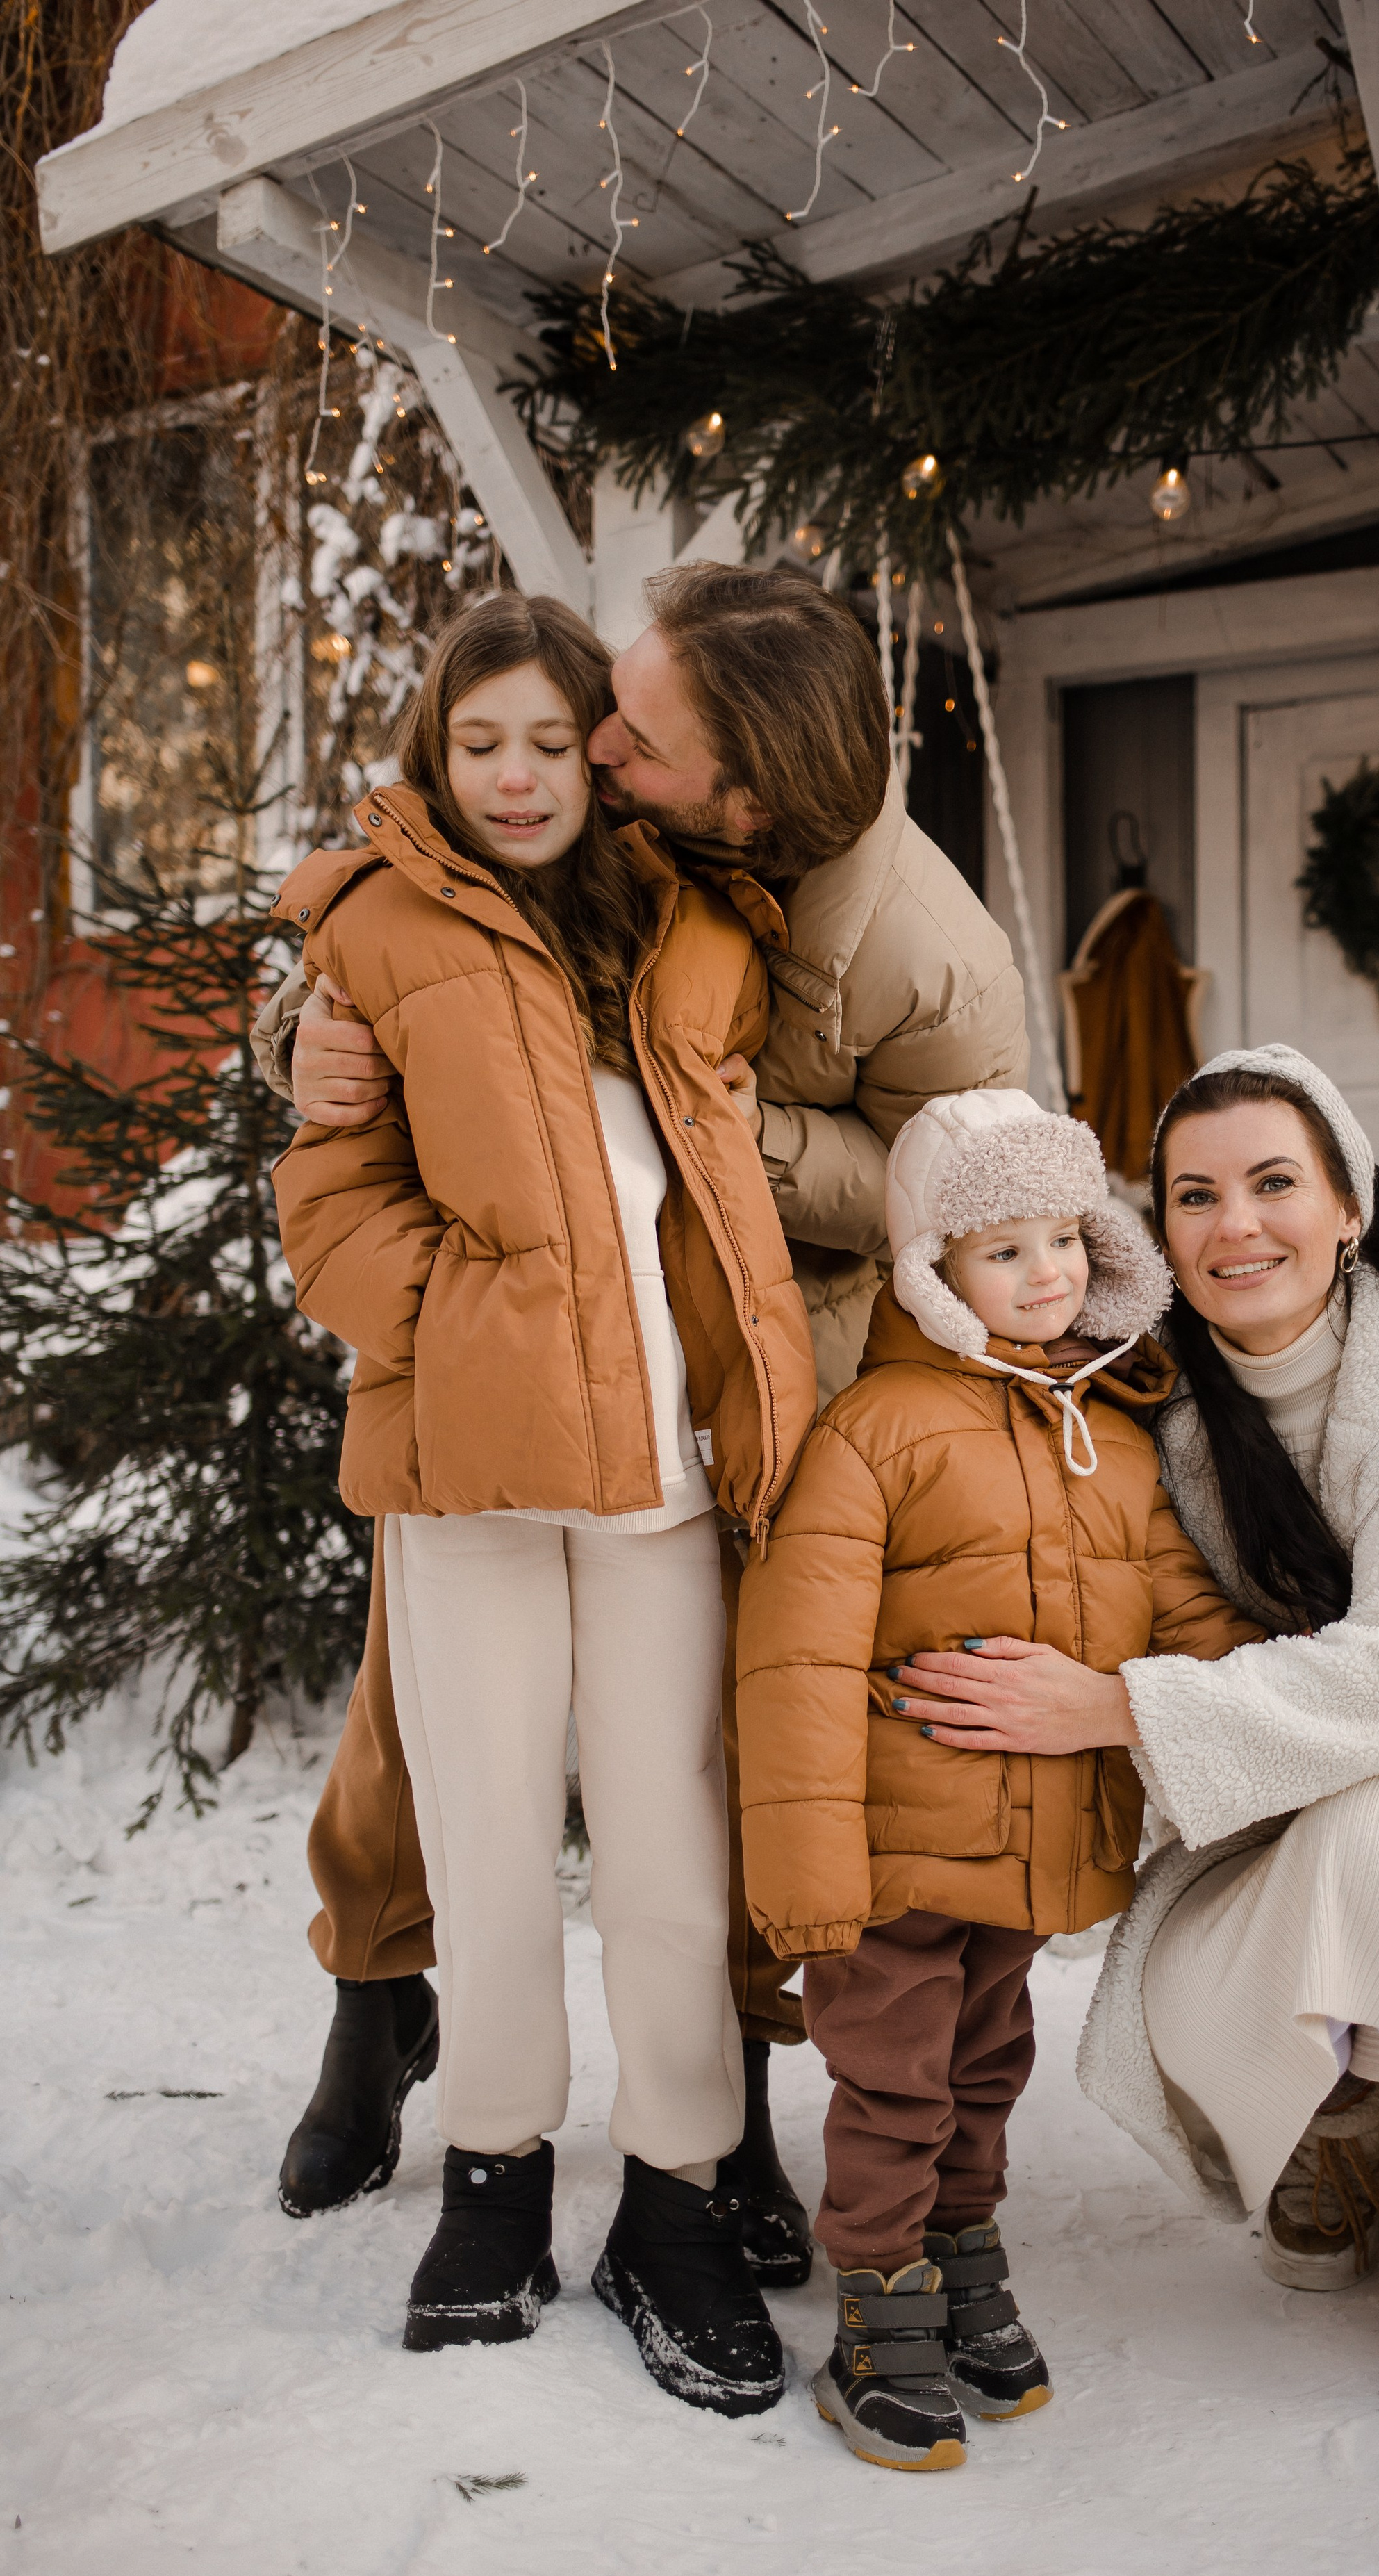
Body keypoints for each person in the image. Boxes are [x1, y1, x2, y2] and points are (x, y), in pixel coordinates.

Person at [254, 564, 1028, 2284]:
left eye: (604, 734)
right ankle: (447, 2101)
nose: (571, 762)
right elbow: (356, 1089)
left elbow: (968, 1190)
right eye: (502, 740)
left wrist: (736, 1178)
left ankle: (694, 2161)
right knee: (453, 1788)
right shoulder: (444, 895)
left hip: (736, 1406)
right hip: (473, 1445)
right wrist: (451, 1310)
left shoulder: (777, 928)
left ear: (738, 795)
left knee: (693, 1810)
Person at [895, 1044, 1379, 2444]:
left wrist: (1117, 1706)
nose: (1233, 1224)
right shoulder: (1146, 1410)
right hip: (1261, 1827)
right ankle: (1327, 2115)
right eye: (1194, 1196)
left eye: (1273, 1183)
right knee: (1239, 1923)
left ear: (1345, 1204)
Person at [270, 589, 818, 2412]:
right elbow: (328, 1196)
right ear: (439, 750)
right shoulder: (377, 931)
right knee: (492, 1839)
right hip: (464, 1480)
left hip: (666, 1480)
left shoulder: (700, 927)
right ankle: (496, 2174)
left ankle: (674, 2195)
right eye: (475, 741)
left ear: (602, 747)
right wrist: (454, 1323)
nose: (513, 778)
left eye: (544, 740)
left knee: (672, 1850)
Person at [737, 1090, 1265, 2468]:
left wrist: (1274, 1699)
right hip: (892, 1854)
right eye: (1002, 1251)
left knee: (984, 2069)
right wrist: (801, 1877)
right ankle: (878, 2296)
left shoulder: (1119, 1443)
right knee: (894, 2083)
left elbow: (1180, 1616)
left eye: (1064, 1243)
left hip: (1029, 1850)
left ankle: (960, 2249)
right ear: (931, 1273)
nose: (1045, 1277)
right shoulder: (878, 1432)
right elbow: (793, 1663)